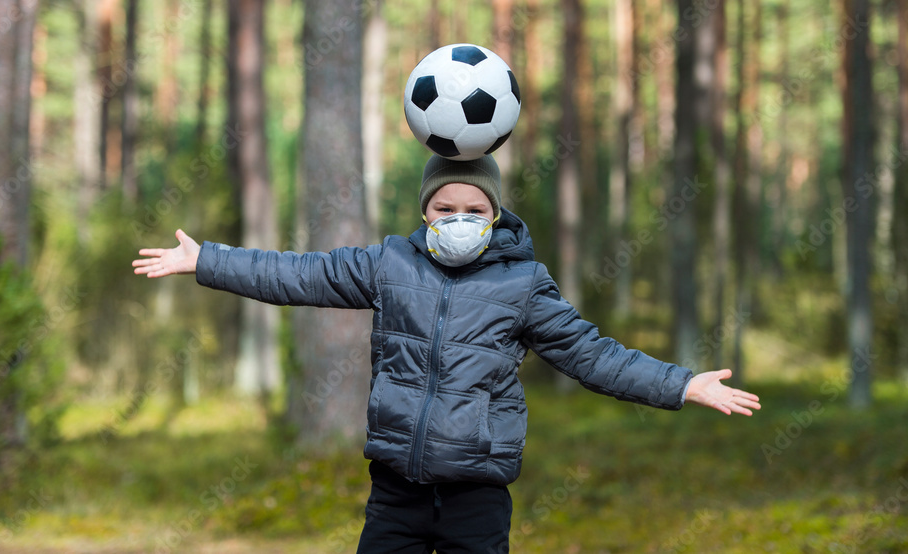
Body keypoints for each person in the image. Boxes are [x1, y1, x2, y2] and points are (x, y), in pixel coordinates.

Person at [132, 154, 761, 553]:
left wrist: (680, 384)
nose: (459, 219)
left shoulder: (523, 284)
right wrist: (207, 259)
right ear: (426, 213)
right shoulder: (389, 264)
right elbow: (298, 274)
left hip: (476, 496)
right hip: (395, 492)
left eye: (474, 209)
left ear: (494, 216)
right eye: (445, 208)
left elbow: (592, 355)